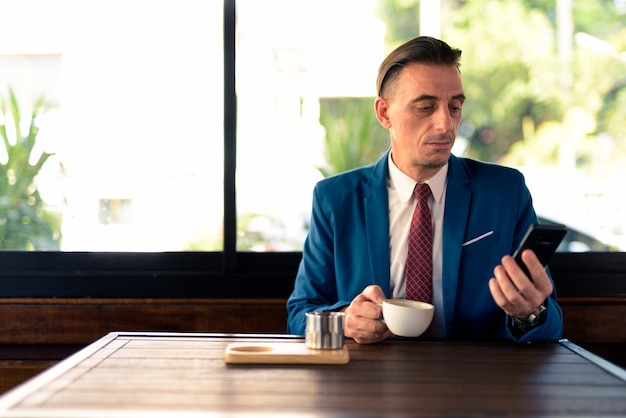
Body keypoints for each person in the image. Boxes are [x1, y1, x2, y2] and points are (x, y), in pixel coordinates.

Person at [286, 35, 564, 344]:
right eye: (425, 107)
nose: (446, 124)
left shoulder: (505, 192)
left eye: (455, 106)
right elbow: (300, 315)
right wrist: (345, 320)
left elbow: (551, 324)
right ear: (384, 113)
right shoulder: (335, 199)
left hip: (475, 381)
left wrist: (529, 313)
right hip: (368, 384)